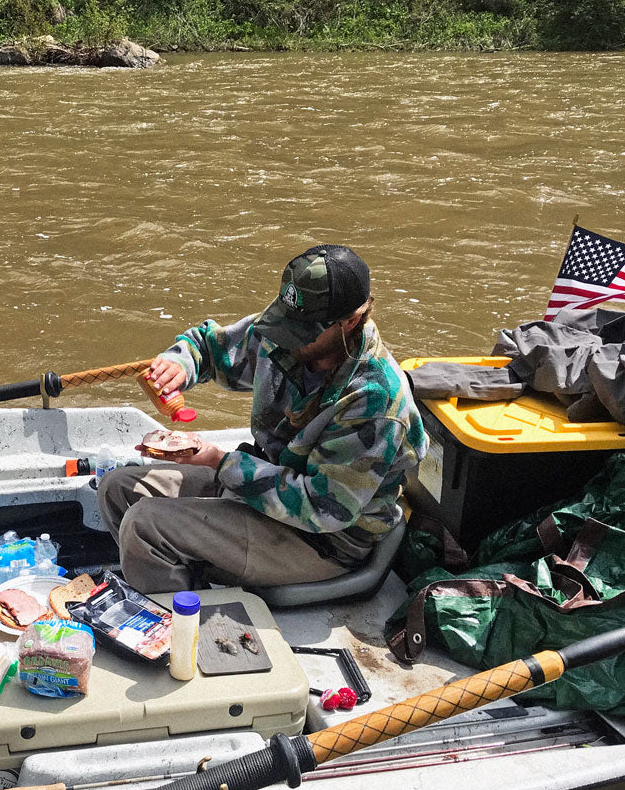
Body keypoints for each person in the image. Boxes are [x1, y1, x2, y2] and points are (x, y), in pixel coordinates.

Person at [98, 244, 426, 594]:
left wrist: (219, 462)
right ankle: (185, 585)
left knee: (144, 525)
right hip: (265, 489)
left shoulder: (375, 398)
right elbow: (211, 349)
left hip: (324, 540)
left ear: (351, 320)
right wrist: (181, 363)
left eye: (300, 331)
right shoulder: (286, 331)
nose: (284, 340)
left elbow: (322, 507)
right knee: (117, 489)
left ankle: (183, 630)